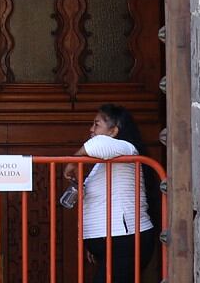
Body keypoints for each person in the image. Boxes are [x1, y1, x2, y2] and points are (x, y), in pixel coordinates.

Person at [63, 104, 159, 282]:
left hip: (125, 241)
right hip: (114, 243)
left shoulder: (126, 149)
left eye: (96, 124)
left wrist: (73, 161)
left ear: (114, 131)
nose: (91, 130)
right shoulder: (105, 163)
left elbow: (98, 144)